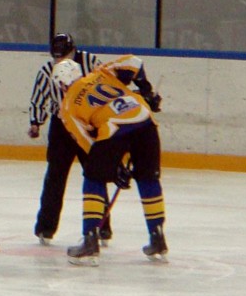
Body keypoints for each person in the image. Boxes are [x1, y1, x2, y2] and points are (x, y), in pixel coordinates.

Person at [57, 55, 168, 267]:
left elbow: (87, 142)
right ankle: (157, 237)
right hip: (145, 121)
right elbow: (134, 62)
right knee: (148, 178)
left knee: (93, 177)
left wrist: (112, 167)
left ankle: (90, 238)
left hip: (115, 128)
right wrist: (145, 91)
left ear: (61, 84)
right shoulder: (101, 73)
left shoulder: (68, 105)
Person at [28, 33, 109, 245]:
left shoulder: (91, 62)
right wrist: (36, 122)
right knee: (55, 176)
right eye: (56, 57)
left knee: (96, 174)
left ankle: (102, 226)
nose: (59, 61)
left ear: (73, 51)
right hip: (62, 126)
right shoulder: (47, 70)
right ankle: (46, 227)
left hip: (88, 124)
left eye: (63, 56)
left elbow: (107, 86)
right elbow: (39, 97)